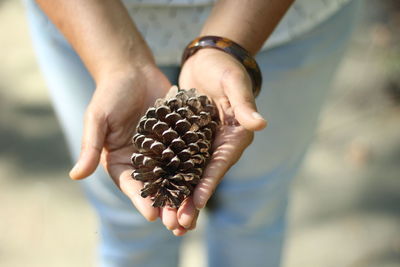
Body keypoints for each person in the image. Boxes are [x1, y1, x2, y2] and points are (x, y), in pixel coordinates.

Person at [24, 0, 358, 266]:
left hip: (282, 23)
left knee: (255, 210)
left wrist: (227, 47)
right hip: (86, 23)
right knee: (128, 223)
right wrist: (116, 62)